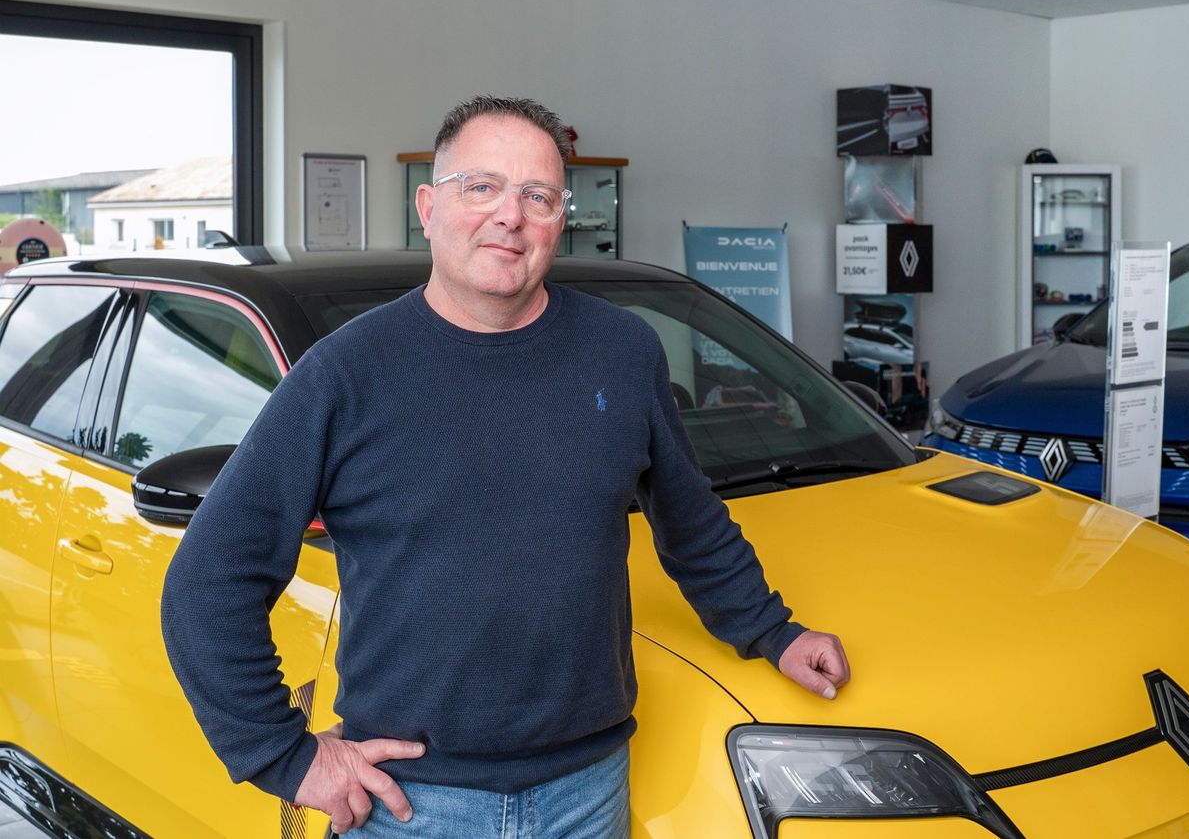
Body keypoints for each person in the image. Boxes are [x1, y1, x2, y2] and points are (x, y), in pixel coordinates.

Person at [161, 95, 850, 838]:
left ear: (561, 220)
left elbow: (693, 523)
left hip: (589, 792)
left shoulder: (622, 352)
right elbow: (208, 582)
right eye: (481, 187)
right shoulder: (345, 374)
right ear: (428, 208)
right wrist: (285, 756)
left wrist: (774, 631)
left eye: (538, 196)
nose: (510, 216)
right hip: (410, 805)